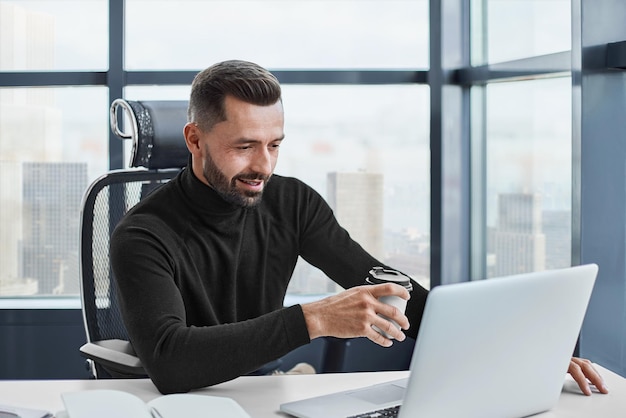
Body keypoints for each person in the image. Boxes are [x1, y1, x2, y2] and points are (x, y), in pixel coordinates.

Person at [110, 59, 608, 397]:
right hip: (188, 405)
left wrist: (520, 347)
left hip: (264, 393)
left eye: (275, 144)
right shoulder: (144, 234)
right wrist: (312, 319)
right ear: (194, 139)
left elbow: (382, 282)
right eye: (244, 146)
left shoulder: (291, 200)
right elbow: (171, 363)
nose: (264, 164)